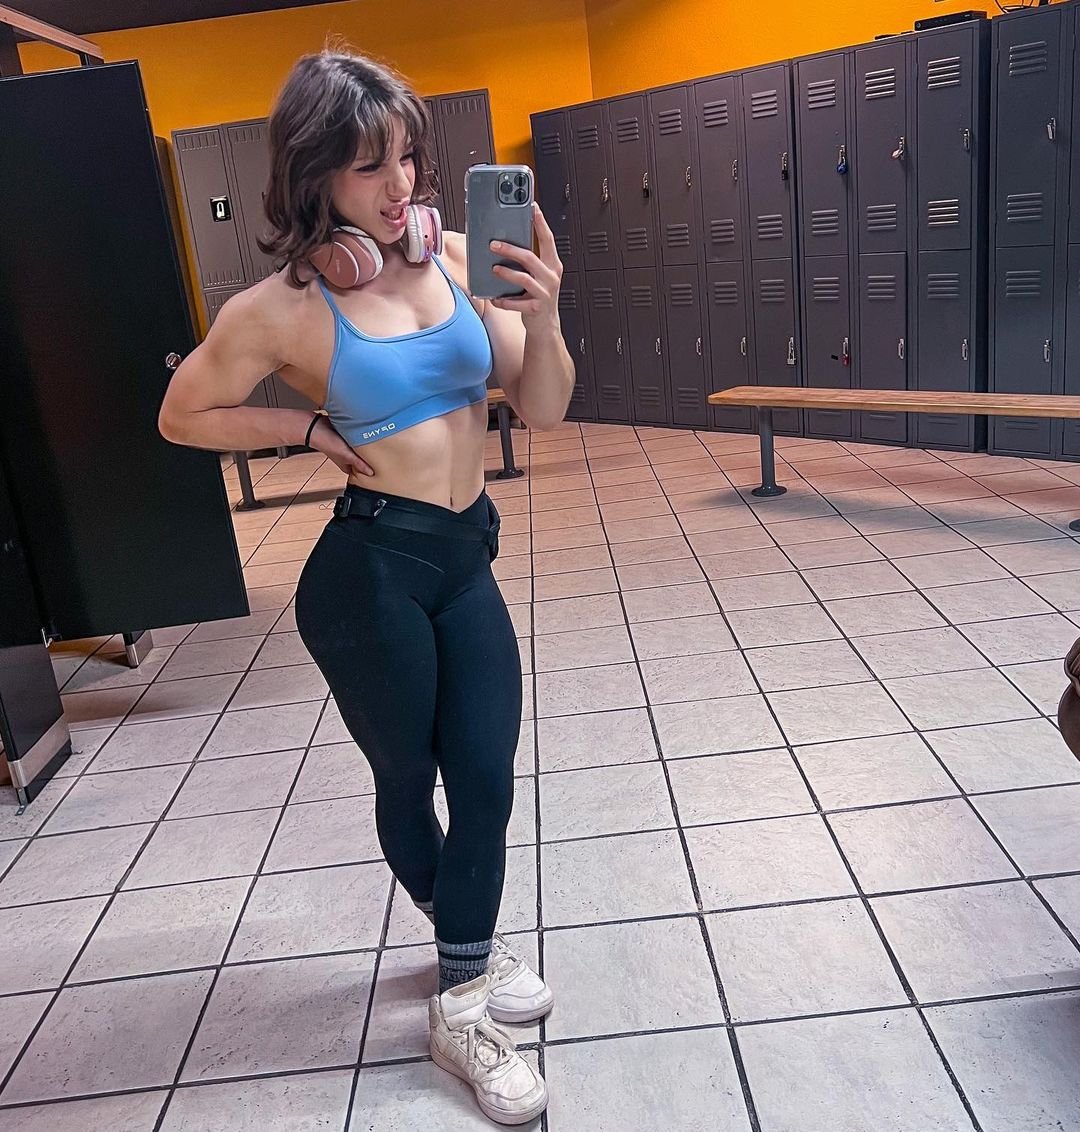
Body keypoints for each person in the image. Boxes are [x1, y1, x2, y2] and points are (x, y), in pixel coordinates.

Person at [158, 47, 573, 1126]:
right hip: (369, 575)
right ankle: (464, 993)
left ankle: (462, 963)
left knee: (486, 779)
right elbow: (182, 413)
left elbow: (543, 408)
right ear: (316, 180)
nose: (399, 187)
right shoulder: (284, 307)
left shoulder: (464, 260)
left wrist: (547, 314)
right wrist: (300, 428)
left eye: (406, 159)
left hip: (462, 559)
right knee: (409, 776)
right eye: (366, 166)